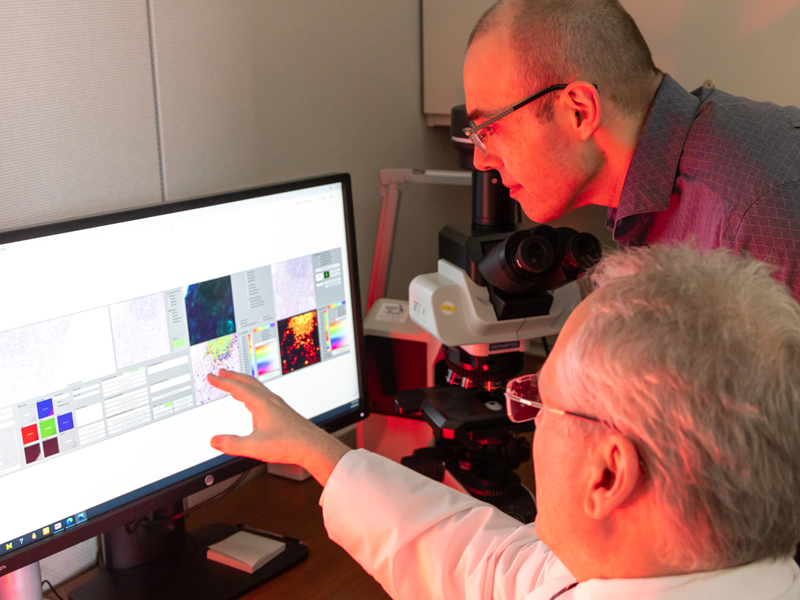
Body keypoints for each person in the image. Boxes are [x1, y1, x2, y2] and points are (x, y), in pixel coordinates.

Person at [209, 244, 800, 599]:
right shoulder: (652, 569)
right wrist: (319, 452)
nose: (527, 424)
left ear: (607, 474)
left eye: (540, 405)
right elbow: (489, 564)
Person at [461, 0, 800, 300]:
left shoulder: (750, 214)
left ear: (579, 111)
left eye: (489, 128)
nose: (480, 158)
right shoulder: (654, 194)